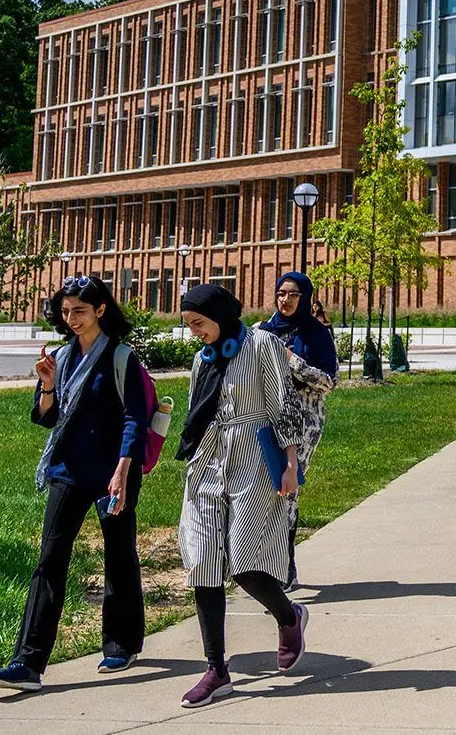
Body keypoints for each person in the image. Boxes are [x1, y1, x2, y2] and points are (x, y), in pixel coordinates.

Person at [0, 275, 150, 692]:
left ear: (100, 310)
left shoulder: (120, 356)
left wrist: (124, 468)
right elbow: (47, 417)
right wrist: (46, 384)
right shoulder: (61, 356)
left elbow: (135, 417)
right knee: (50, 561)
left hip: (112, 472)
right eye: (65, 311)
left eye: (78, 310)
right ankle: (28, 662)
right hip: (66, 472)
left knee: (119, 554)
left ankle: (121, 642)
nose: (71, 318)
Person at [174, 283, 321, 709]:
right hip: (207, 461)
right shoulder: (204, 358)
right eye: (188, 326)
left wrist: (291, 464)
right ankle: (216, 670)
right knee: (203, 562)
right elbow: (197, 411)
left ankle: (288, 616)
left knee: (245, 566)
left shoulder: (261, 345)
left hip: (254, 460)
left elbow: (285, 406)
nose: (195, 333)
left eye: (198, 324)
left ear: (219, 314)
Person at [259, 271, 339, 589]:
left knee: (287, 488)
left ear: (304, 298)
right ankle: (266, 561)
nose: (286, 300)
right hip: (269, 417)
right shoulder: (266, 331)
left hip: (306, 421)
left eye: (293, 294)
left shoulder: (316, 334)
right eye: (281, 293)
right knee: (266, 488)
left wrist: (292, 361)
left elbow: (328, 382)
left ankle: (285, 564)